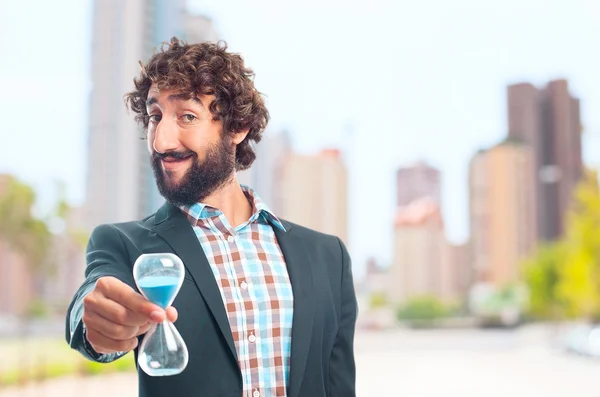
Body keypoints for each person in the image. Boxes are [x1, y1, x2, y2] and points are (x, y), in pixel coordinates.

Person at [65, 38, 357, 397]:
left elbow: (339, 384)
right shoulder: (123, 243)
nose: (161, 141)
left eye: (187, 116)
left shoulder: (329, 257)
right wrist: (94, 323)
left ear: (238, 127)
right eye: (155, 117)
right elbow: (94, 303)